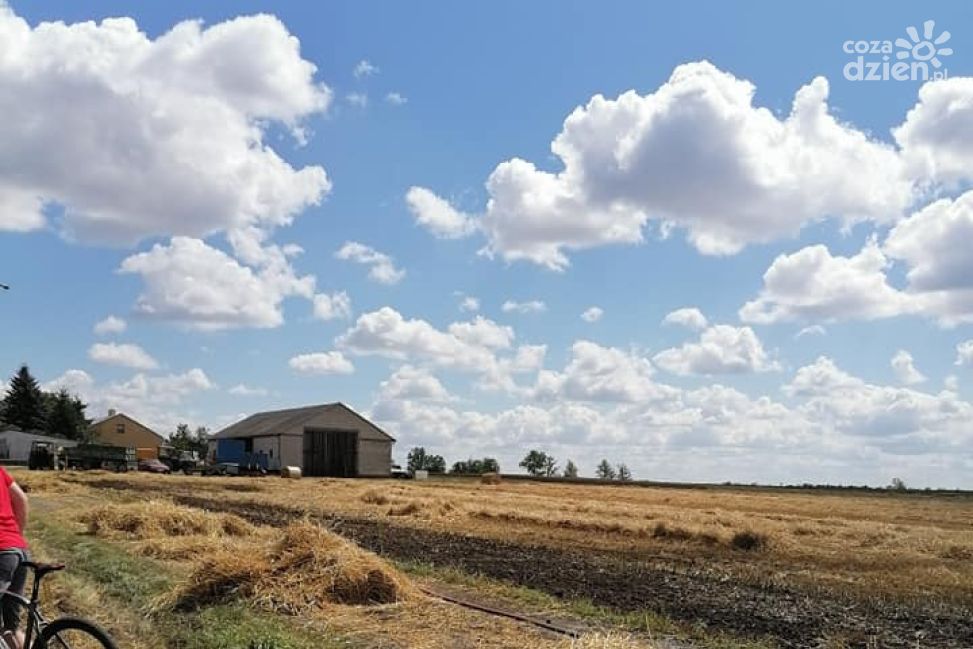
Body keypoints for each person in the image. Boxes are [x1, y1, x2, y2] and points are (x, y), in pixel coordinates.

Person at [0, 468, 28, 649]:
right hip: (19, 550)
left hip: (1, 552)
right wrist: (17, 535)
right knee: (12, 626)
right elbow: (22, 499)